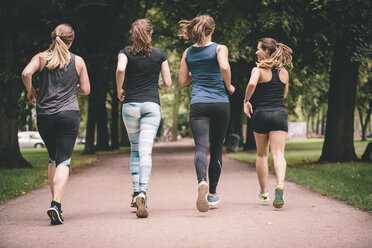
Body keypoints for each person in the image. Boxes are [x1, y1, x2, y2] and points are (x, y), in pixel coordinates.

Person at [21, 23, 90, 224]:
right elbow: (86, 90)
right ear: (71, 40)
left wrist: (30, 89)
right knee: (64, 161)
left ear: (53, 38)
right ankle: (56, 204)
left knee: (53, 158)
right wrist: (74, 86)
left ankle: (55, 202)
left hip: (45, 115)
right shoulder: (78, 61)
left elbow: (26, 73)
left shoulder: (41, 58)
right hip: (68, 114)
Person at [178, 15, 235, 212]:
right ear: (212, 30)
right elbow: (225, 67)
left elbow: (182, 81)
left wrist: (197, 73)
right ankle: (212, 193)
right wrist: (228, 86)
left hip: (199, 104)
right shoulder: (220, 48)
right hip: (220, 103)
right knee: (217, 147)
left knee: (201, 146)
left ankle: (201, 181)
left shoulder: (188, 52)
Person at [116, 18, 172, 218]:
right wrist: (157, 85)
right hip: (151, 106)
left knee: (134, 150)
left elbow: (121, 69)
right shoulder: (159, 54)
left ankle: (134, 193)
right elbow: (168, 82)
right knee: (145, 151)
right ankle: (143, 192)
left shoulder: (125, 52)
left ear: (133, 34)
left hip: (130, 105)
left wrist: (119, 90)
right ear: (150, 33)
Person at [243, 38, 293, 208]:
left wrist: (246, 100)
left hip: (261, 115)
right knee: (278, 153)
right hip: (279, 114)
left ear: (266, 51)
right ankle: (280, 184)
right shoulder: (284, 73)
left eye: (258, 49)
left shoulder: (258, 70)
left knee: (262, 155)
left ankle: (264, 193)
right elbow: (284, 95)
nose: (256, 52)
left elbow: (251, 83)